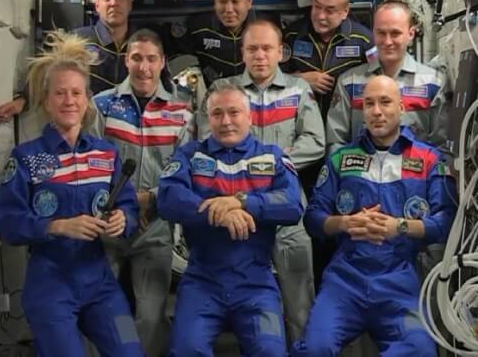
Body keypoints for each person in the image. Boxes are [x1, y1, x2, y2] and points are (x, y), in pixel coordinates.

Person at [0, 33, 145, 357]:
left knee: (131, 351)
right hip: (50, 283)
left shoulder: (107, 155)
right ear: (46, 101)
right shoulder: (27, 158)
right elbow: (8, 222)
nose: (69, 101)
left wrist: (123, 219)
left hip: (100, 282)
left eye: (76, 93)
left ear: (87, 99)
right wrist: (56, 226)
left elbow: (129, 207)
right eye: (59, 93)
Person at [291, 75, 457, 357]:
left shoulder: (429, 160)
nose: (377, 111)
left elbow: (446, 222)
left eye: (385, 102)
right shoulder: (342, 158)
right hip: (345, 280)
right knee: (315, 348)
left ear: (402, 107)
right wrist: (344, 222)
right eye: (369, 103)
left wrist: (401, 226)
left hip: (399, 281)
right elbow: (312, 218)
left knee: (419, 349)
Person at [158, 82, 303, 357]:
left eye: (234, 112)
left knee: (272, 352)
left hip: (257, 284)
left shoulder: (273, 157)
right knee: (186, 351)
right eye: (217, 114)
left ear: (250, 116)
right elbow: (168, 199)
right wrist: (220, 213)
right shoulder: (190, 155)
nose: (226, 121)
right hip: (202, 281)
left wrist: (243, 202)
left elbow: (293, 205)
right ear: (208, 118)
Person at [202, 19, 325, 342]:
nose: (260, 55)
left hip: (286, 209)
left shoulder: (299, 90)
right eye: (252, 48)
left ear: (281, 52)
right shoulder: (222, 92)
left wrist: (268, 166)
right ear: (242, 53)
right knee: (246, 307)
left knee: (300, 302)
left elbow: (315, 141)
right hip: (236, 211)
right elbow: (208, 144)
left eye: (267, 48)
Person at [92, 28, 194, 357]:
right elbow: (90, 164)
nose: (144, 67)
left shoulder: (181, 110)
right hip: (107, 226)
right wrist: (112, 207)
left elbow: (185, 170)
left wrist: (150, 198)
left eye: (152, 59)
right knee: (102, 313)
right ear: (126, 60)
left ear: (163, 62)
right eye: (137, 58)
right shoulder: (102, 105)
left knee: (151, 317)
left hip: (155, 227)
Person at [0, 0, 134, 122]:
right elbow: (46, 71)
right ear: (97, 5)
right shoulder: (78, 40)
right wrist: (23, 100)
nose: (114, 2)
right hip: (88, 128)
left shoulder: (141, 44)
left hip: (129, 129)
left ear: (129, 3)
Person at [327, 0, 450, 154]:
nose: (387, 41)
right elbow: (335, 144)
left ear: (411, 34)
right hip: (360, 175)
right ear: (373, 33)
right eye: (381, 33)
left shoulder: (434, 83)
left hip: (414, 175)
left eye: (395, 33)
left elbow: (442, 148)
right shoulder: (349, 82)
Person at [282, 0, 374, 120]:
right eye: (317, 6)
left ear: (345, 11)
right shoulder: (291, 36)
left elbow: (381, 82)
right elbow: (270, 81)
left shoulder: (364, 41)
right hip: (302, 125)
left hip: (347, 126)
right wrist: (300, 80)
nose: (320, 16)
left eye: (329, 11)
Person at [174, 0, 278, 87]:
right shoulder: (197, 28)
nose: (229, 9)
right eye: (222, 1)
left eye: (235, 1)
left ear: (249, 2)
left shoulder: (268, 29)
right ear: (214, 1)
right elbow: (180, 61)